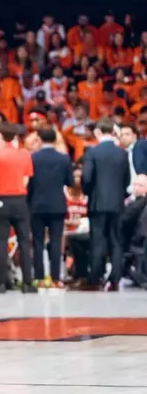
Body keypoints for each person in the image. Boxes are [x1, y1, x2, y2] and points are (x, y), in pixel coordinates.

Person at [81, 117, 131, 290]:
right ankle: (115, 278)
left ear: (97, 132)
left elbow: (86, 178)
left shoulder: (92, 152)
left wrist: (88, 193)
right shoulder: (123, 153)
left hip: (97, 203)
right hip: (117, 203)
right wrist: (120, 196)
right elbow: (127, 180)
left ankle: (95, 277)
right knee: (117, 241)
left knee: (98, 240)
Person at [0, 124, 36, 293]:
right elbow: (26, 180)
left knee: (2, 242)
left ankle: (1, 283)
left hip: (1, 199)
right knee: (24, 241)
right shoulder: (24, 154)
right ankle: (28, 283)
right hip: (20, 200)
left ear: (0, 135)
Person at [28, 126, 71, 287]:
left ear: (39, 139)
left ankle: (39, 278)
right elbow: (70, 182)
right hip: (57, 205)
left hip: (37, 204)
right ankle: (56, 278)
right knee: (55, 241)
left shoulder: (32, 158)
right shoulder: (64, 158)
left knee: (38, 241)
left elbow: (29, 184)